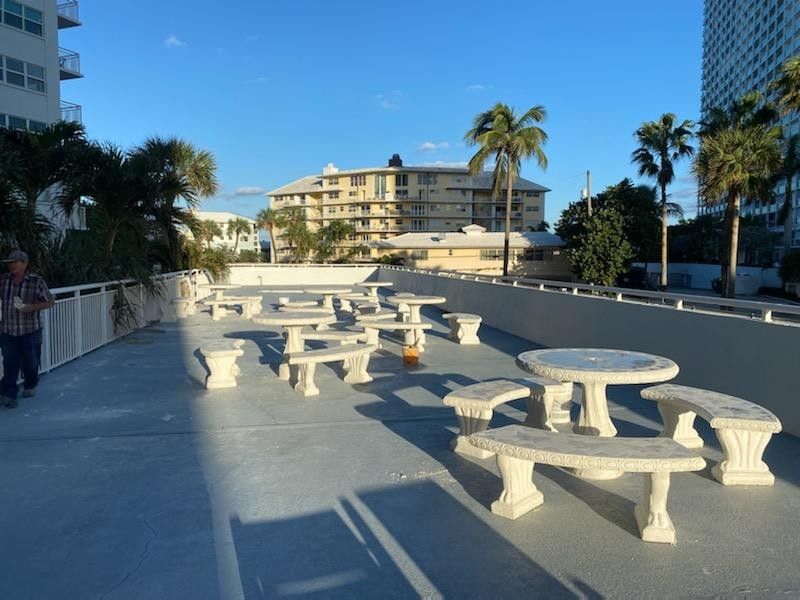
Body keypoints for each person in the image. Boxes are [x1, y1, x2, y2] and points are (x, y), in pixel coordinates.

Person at [0, 250, 54, 408]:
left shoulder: (36, 281)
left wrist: (31, 307)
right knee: (10, 363)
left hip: (30, 330)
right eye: (9, 263)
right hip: (8, 330)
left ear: (24, 263)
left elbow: (50, 302)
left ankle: (30, 384)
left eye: (15, 262)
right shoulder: (3, 280)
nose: (11, 265)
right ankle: (9, 395)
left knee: (31, 362)